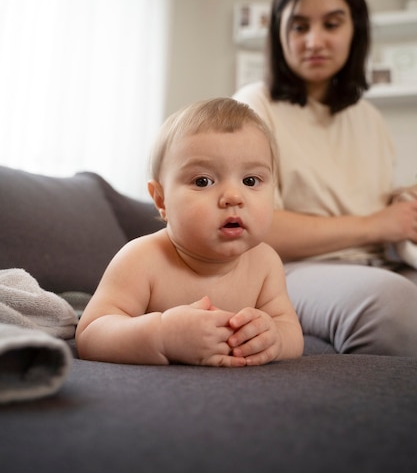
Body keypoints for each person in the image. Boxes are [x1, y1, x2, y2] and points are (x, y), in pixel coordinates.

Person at [233, 0, 417, 356]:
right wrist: (376, 224)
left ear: (356, 32)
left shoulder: (369, 118)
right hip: (285, 271)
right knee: (391, 304)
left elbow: (373, 206)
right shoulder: (254, 105)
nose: (315, 41)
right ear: (279, 35)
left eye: (332, 25)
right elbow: (253, 227)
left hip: (374, 264)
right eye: (299, 27)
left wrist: (403, 204)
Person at [76, 98, 304, 366]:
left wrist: (273, 337)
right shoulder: (141, 259)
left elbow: (292, 333)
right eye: (203, 181)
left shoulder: (265, 263)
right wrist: (162, 335)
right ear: (161, 200)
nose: (233, 196)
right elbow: (91, 334)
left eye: (250, 181)